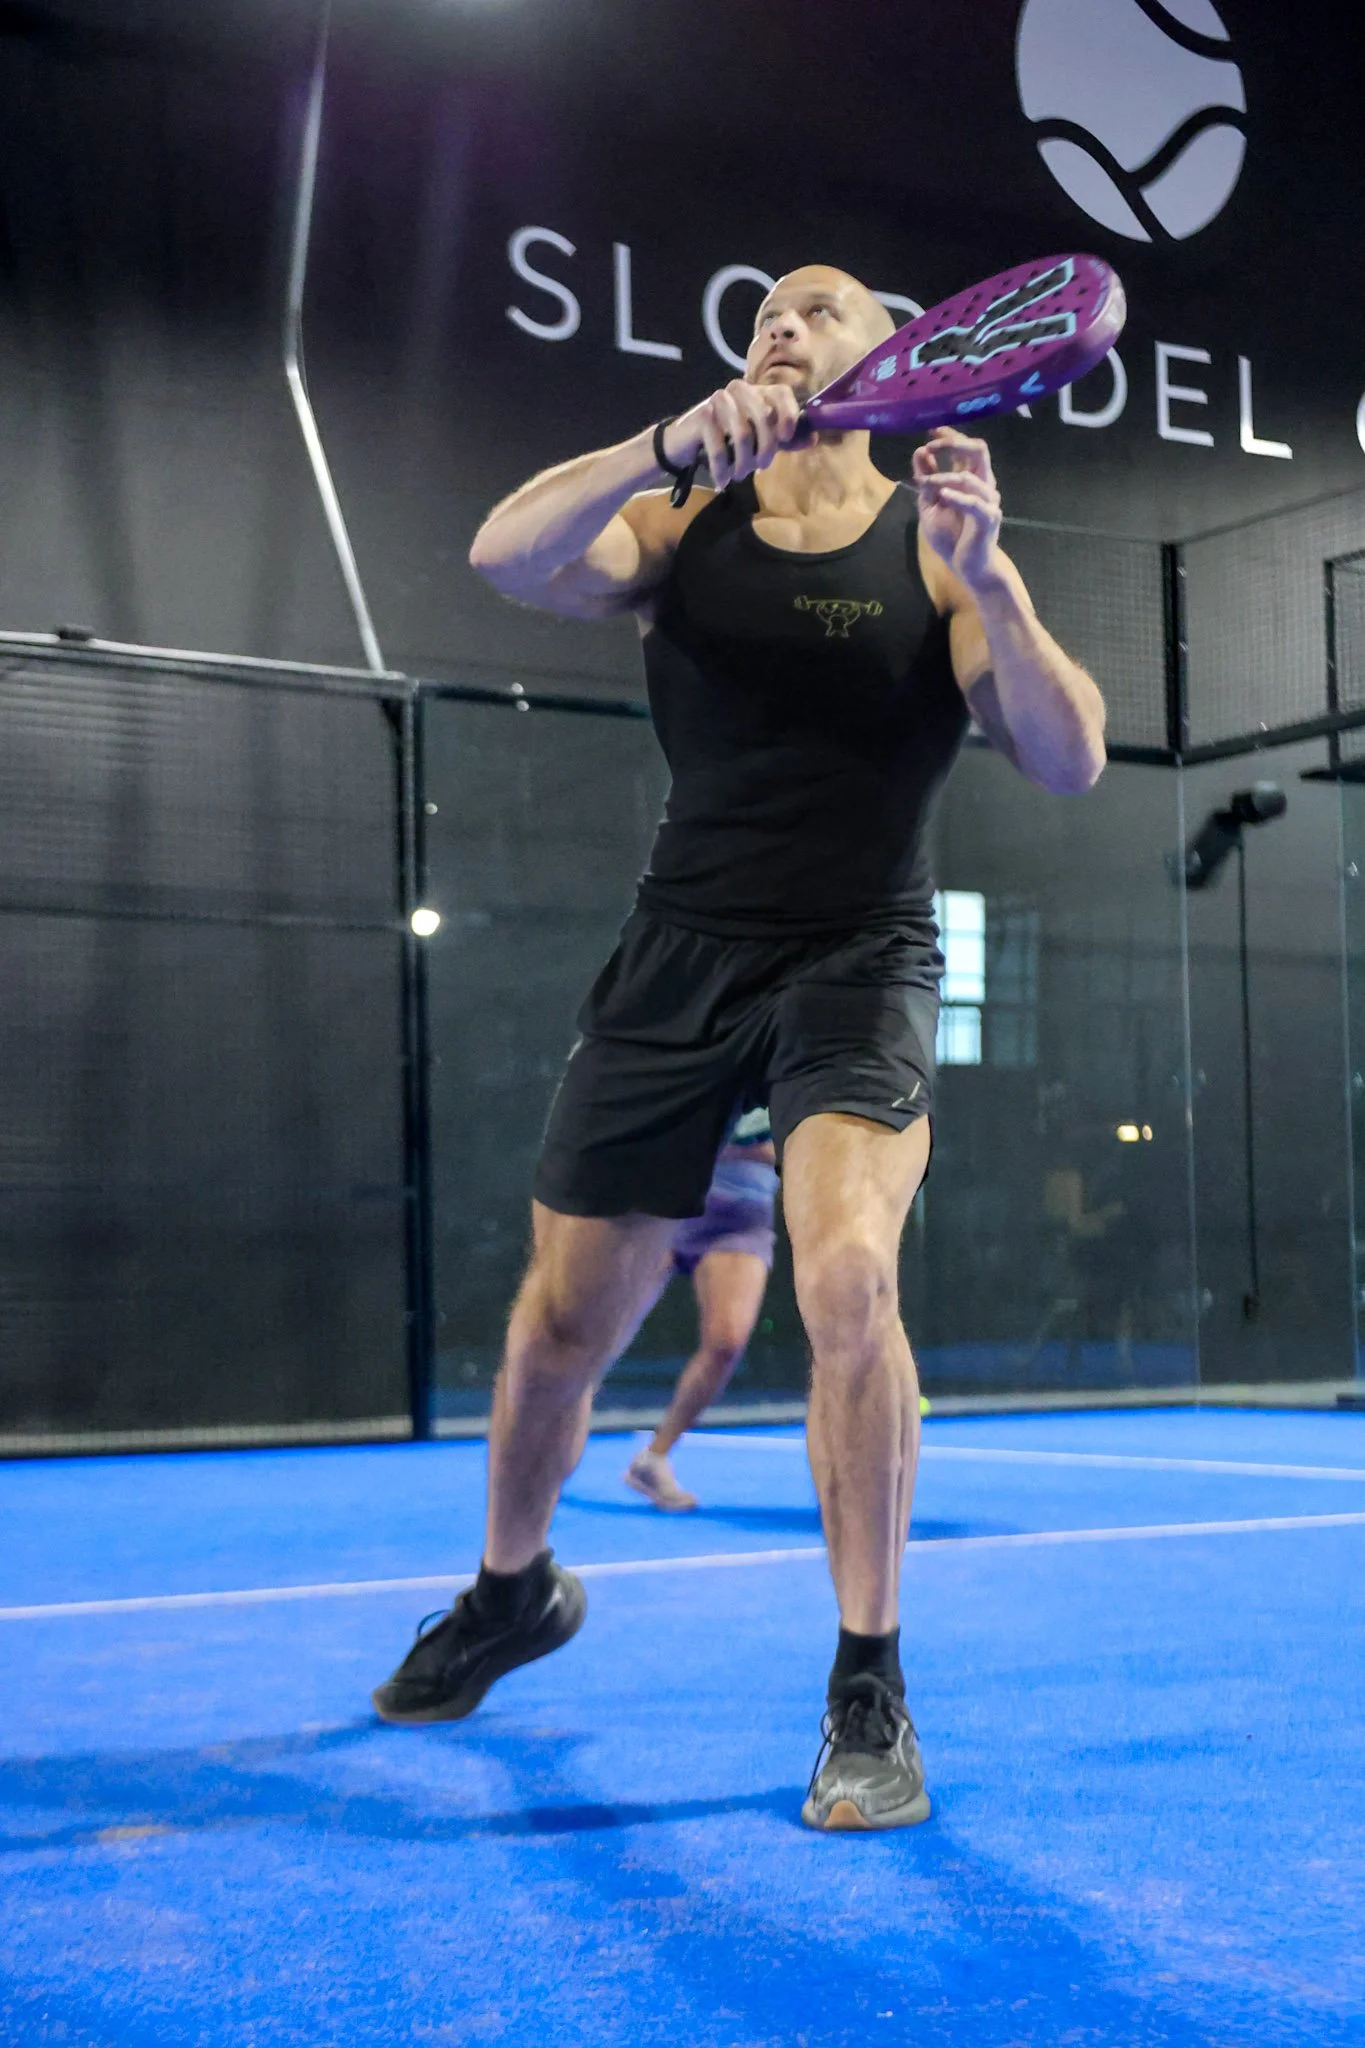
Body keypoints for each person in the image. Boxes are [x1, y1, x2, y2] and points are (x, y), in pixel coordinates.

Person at [372, 264, 1107, 1831]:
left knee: (845, 1272)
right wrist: (659, 446)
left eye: (820, 305)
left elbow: (1068, 757)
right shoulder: (683, 523)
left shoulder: (935, 538)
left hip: (859, 959)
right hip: (673, 959)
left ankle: (868, 1682)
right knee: (563, 1323)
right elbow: (507, 554)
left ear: (895, 350)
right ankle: (513, 1592)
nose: (781, 320)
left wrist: (1004, 582)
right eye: (765, 308)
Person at [624, 1107, 778, 1512]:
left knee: (726, 1343)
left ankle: (652, 1459)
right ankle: (539, 1447)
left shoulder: (790, 1068)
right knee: (600, 1338)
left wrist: (723, 1147)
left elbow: (796, 1151)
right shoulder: (691, 1051)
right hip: (663, 1207)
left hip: (740, 1223)